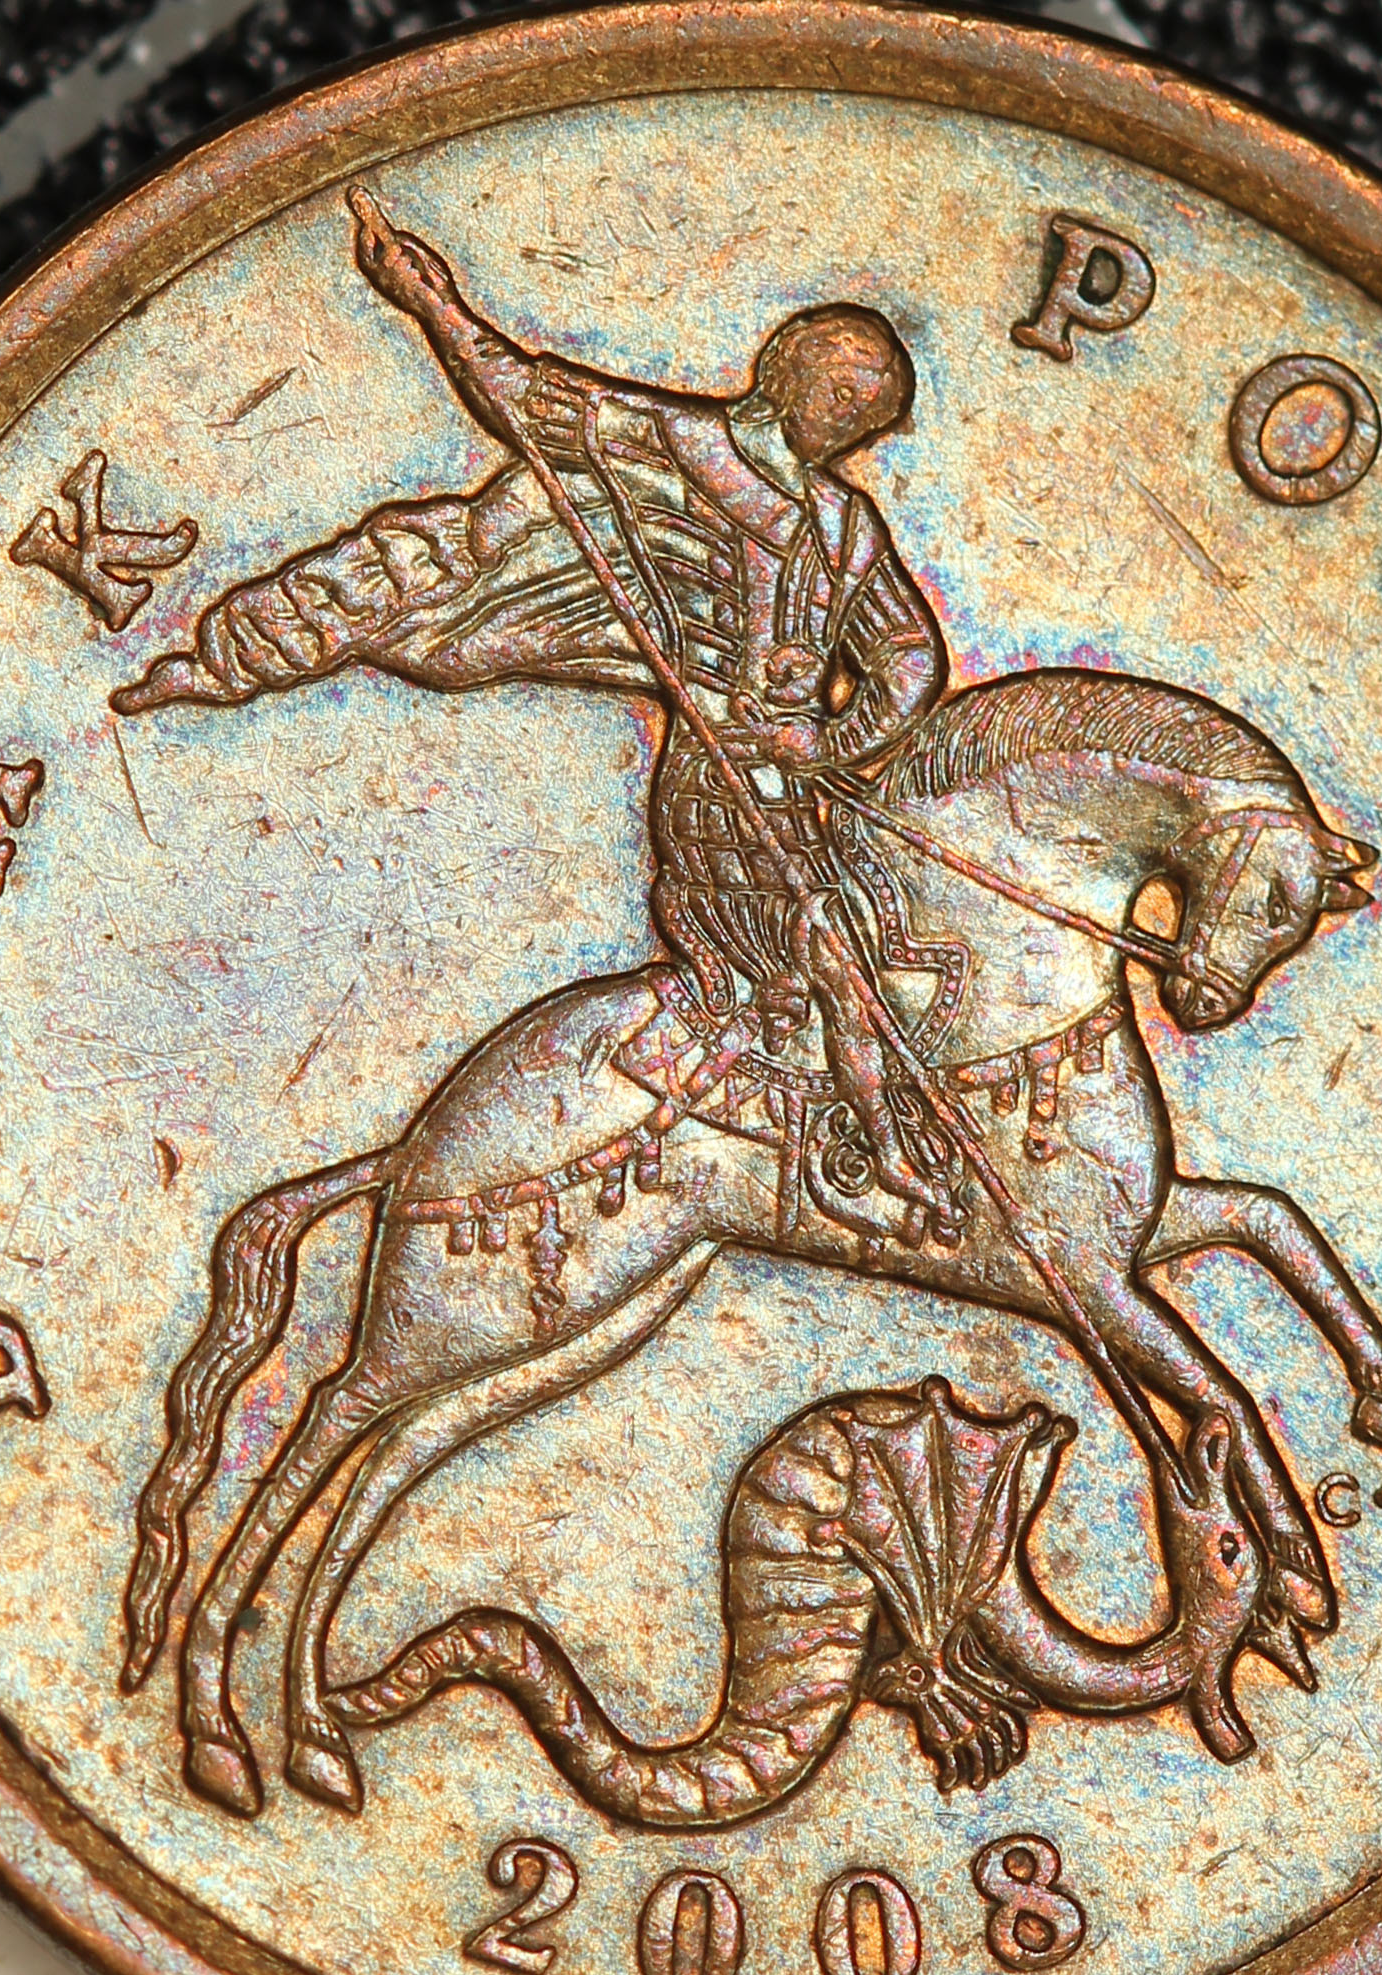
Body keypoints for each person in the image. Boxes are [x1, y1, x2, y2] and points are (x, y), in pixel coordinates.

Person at [115, 208, 964, 1237]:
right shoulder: (667, 444)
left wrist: (825, 739)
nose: (852, 423)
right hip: (716, 782)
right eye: (843, 393)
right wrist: (431, 303)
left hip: (798, 784)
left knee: (881, 931)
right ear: (786, 369)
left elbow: (909, 654)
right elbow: (520, 393)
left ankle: (812, 1118)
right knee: (826, 944)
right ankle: (878, 1152)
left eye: (870, 414)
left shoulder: (843, 525)